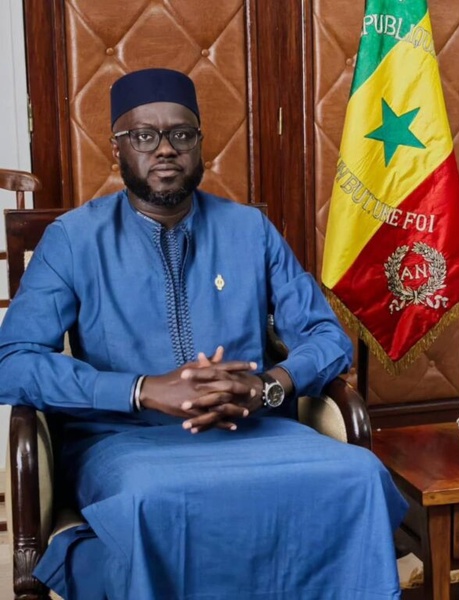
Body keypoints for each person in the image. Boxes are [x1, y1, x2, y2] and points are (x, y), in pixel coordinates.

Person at [0, 68, 407, 599]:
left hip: (254, 431)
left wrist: (268, 387)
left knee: (360, 475)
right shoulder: (74, 239)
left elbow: (327, 338)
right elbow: (13, 360)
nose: (164, 149)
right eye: (144, 135)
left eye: (181, 134)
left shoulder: (250, 230)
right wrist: (142, 389)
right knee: (154, 498)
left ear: (200, 145)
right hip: (126, 440)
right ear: (117, 148)